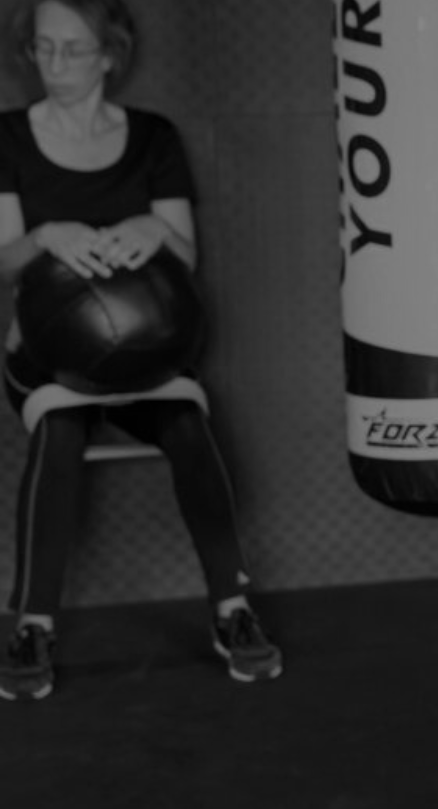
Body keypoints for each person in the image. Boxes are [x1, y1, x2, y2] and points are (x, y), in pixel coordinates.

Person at [0, 0, 282, 700]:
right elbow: (2, 260)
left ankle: (233, 610)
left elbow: (185, 253)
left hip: (148, 353)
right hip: (47, 355)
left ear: (109, 54)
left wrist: (153, 231)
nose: (55, 64)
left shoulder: (154, 137)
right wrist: (48, 236)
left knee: (187, 423)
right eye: (42, 48)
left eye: (73, 48)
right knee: (61, 428)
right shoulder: (7, 136)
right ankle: (32, 625)